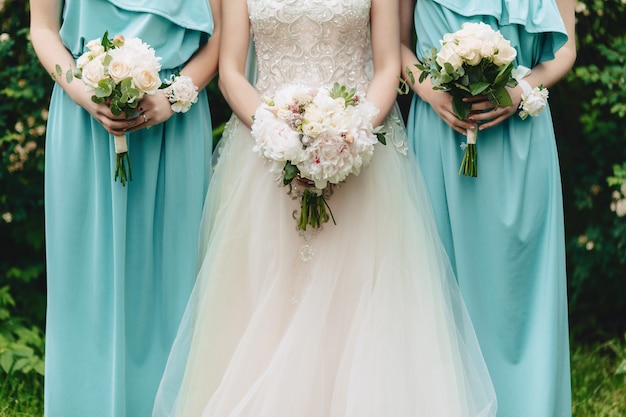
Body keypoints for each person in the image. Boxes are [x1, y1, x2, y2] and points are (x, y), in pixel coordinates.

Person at [151, 0, 497, 416]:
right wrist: (277, 137)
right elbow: (231, 73)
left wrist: (349, 138)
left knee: (358, 299)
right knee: (265, 300)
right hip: (263, 154)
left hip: (361, 151)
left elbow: (388, 66)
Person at [29, 0, 220, 415]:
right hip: (83, 114)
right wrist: (84, 92)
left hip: (176, 118)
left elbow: (222, 35)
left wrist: (173, 97)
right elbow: (42, 29)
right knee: (85, 280)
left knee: (174, 273)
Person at [400, 0, 576, 416]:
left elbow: (565, 48)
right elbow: (396, 44)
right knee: (441, 284)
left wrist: (522, 89)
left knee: (520, 289)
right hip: (441, 130)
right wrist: (429, 89)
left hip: (521, 133)